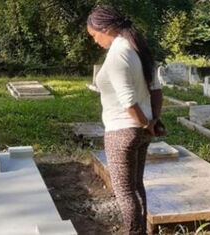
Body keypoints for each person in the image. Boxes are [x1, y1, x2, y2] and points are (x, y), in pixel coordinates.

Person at [87, 5, 163, 235]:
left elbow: (128, 101)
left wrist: (144, 123)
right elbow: (156, 90)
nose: (94, 40)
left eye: (94, 35)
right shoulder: (137, 48)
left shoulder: (119, 53)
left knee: (125, 191)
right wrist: (152, 121)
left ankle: (133, 232)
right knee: (136, 186)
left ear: (106, 28)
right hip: (139, 130)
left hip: (122, 131)